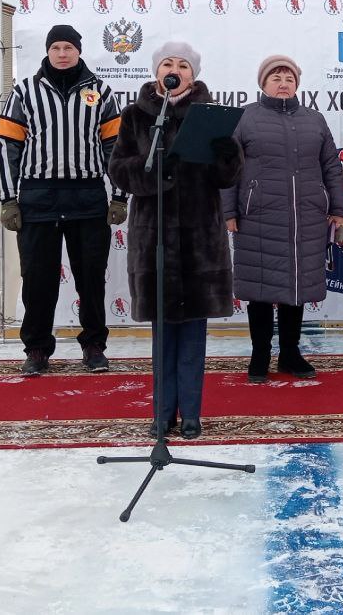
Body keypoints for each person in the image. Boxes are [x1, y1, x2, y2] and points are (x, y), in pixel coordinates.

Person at [109, 42, 242, 440]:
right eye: (167, 63)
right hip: (155, 239)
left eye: (183, 65)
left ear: (193, 75)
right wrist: (155, 173)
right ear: (156, 72)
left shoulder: (211, 116)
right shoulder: (135, 116)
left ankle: (192, 415)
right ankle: (163, 413)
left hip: (200, 238)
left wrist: (225, 155)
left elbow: (228, 176)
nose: (175, 69)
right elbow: (118, 169)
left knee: (193, 335)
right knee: (163, 334)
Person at [0, 24, 127, 376]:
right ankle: (37, 349)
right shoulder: (24, 92)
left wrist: (119, 195)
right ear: (48, 51)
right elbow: (7, 147)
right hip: (38, 196)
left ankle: (94, 346)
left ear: (79, 51)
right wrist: (8, 199)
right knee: (38, 280)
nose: (63, 53)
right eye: (57, 47)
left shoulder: (101, 91)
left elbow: (116, 147)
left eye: (69, 47)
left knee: (90, 279)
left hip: (87, 196)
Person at [224, 55, 343, 383]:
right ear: (263, 83)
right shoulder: (245, 119)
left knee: (297, 286)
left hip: (307, 217)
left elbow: (331, 168)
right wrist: (228, 212)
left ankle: (290, 354)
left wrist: (339, 209)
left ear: (297, 84)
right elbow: (228, 168)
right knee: (261, 288)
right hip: (258, 216)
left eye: (289, 79)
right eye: (276, 78)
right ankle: (260, 354)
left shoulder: (314, 120)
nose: (283, 83)